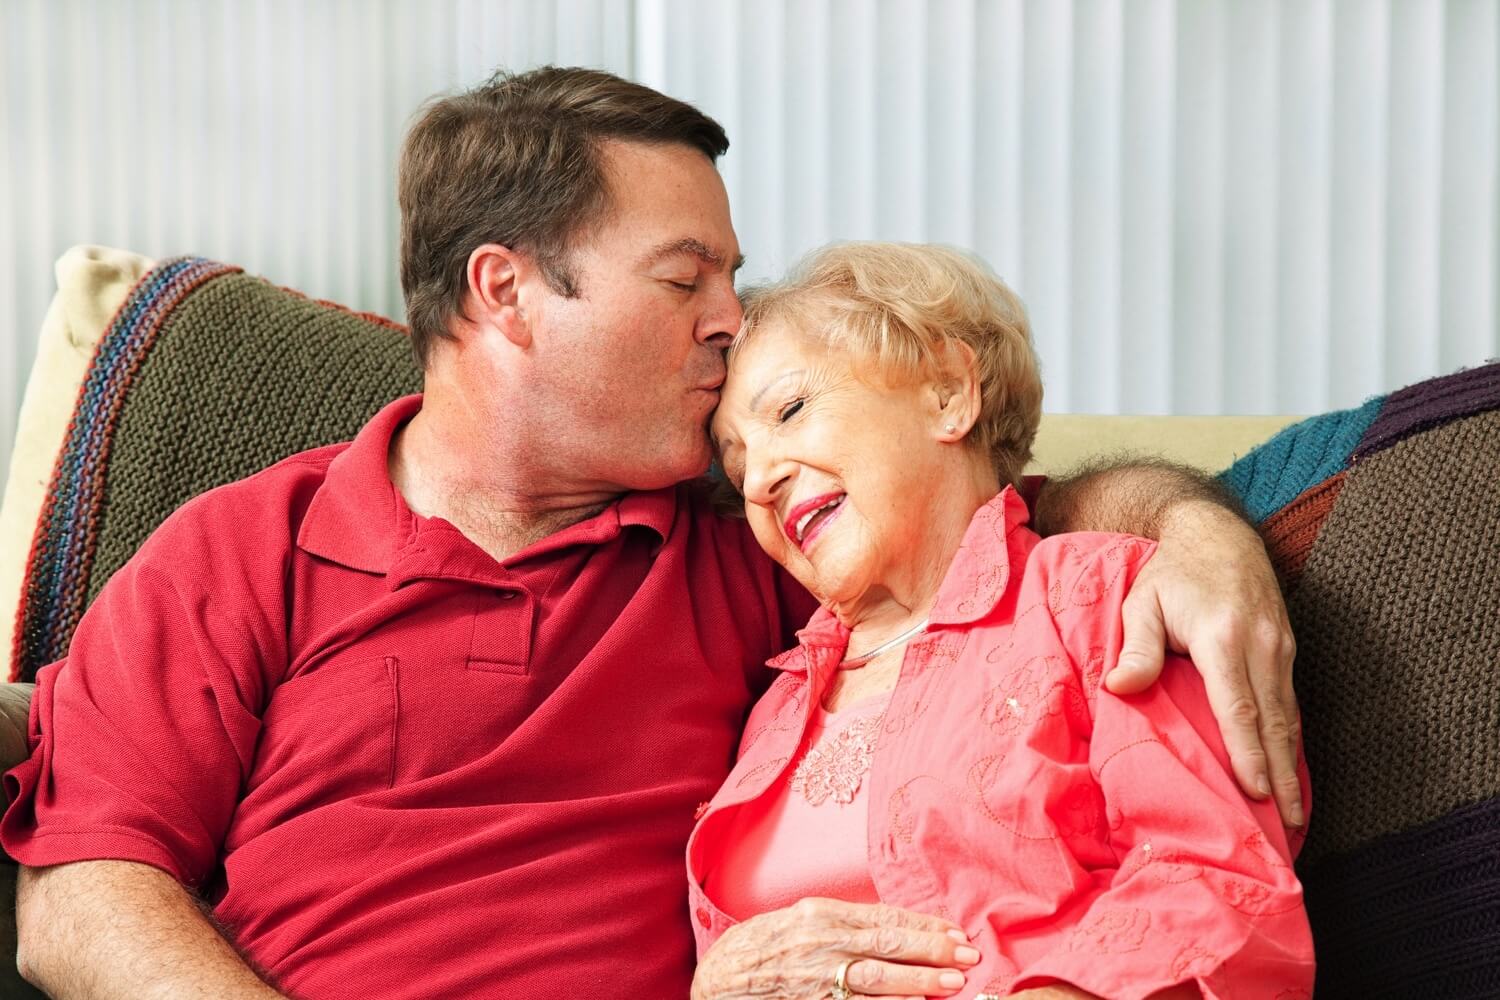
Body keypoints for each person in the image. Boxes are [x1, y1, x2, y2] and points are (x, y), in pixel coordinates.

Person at [2, 68, 1301, 999]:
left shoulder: (754, 550)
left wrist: (1192, 527)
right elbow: (78, 899)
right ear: (505, 293)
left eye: (735, 281)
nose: (734, 320)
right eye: (689, 280)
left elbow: (992, 540)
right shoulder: (234, 554)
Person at [689, 244, 1312, 1000]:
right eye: (736, 463)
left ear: (948, 392)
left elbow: (1217, 890)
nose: (761, 479)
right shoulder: (773, 710)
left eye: (789, 410)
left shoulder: (1093, 601)